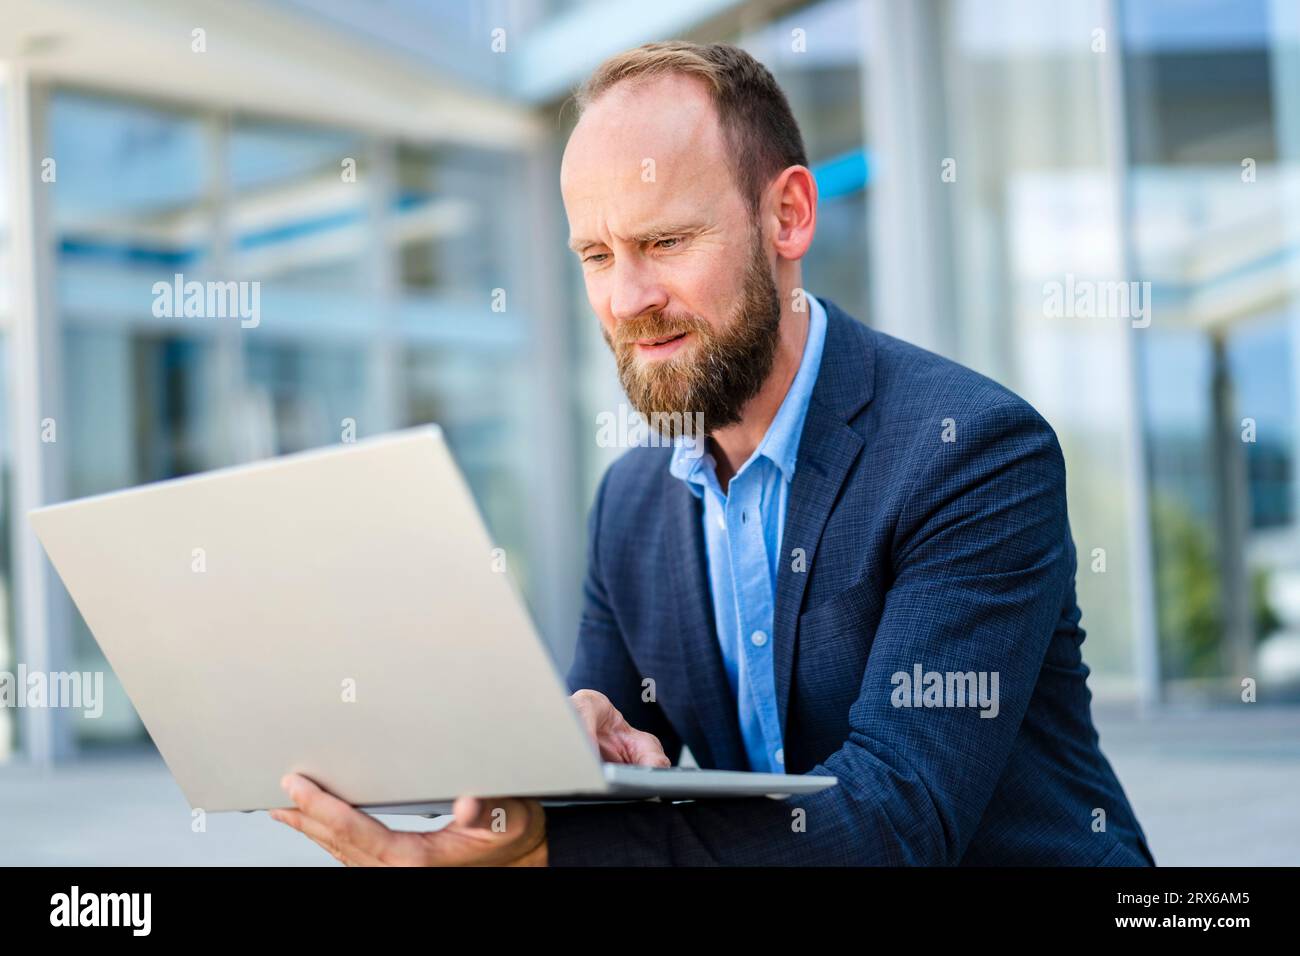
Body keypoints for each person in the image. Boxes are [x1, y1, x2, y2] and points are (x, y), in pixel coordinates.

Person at [272, 40, 1154, 867]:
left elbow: (896, 816)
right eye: (596, 253)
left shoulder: (970, 453)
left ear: (789, 215)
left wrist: (547, 854)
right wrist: (551, 767)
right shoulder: (631, 502)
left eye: (664, 242)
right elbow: (598, 799)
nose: (627, 297)